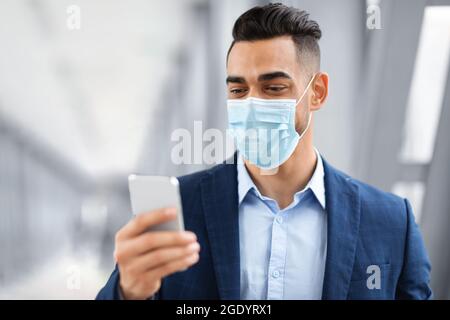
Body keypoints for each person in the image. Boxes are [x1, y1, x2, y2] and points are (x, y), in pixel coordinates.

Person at [97, 3, 432, 300]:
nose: (252, 105)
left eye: (273, 88)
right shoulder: (179, 210)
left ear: (316, 92)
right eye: (239, 89)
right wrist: (128, 292)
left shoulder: (390, 221)